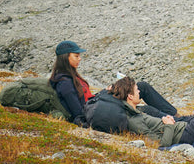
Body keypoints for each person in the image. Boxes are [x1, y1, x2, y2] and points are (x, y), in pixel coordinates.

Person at [49, 40, 178, 126]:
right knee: (146, 109)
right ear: (66, 57)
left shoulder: (70, 76)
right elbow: (80, 112)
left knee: (141, 87)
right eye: (76, 56)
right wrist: (105, 94)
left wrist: (106, 91)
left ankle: (174, 115)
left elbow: (87, 99)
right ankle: (175, 120)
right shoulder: (64, 83)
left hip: (97, 102)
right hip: (97, 109)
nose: (80, 58)